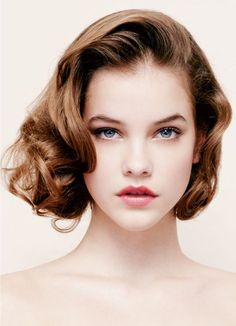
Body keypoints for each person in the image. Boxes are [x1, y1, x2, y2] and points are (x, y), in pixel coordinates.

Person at [1, 8, 236, 325]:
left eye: (166, 132)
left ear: (198, 142)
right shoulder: (11, 305)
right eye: (107, 132)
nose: (137, 165)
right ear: (74, 137)